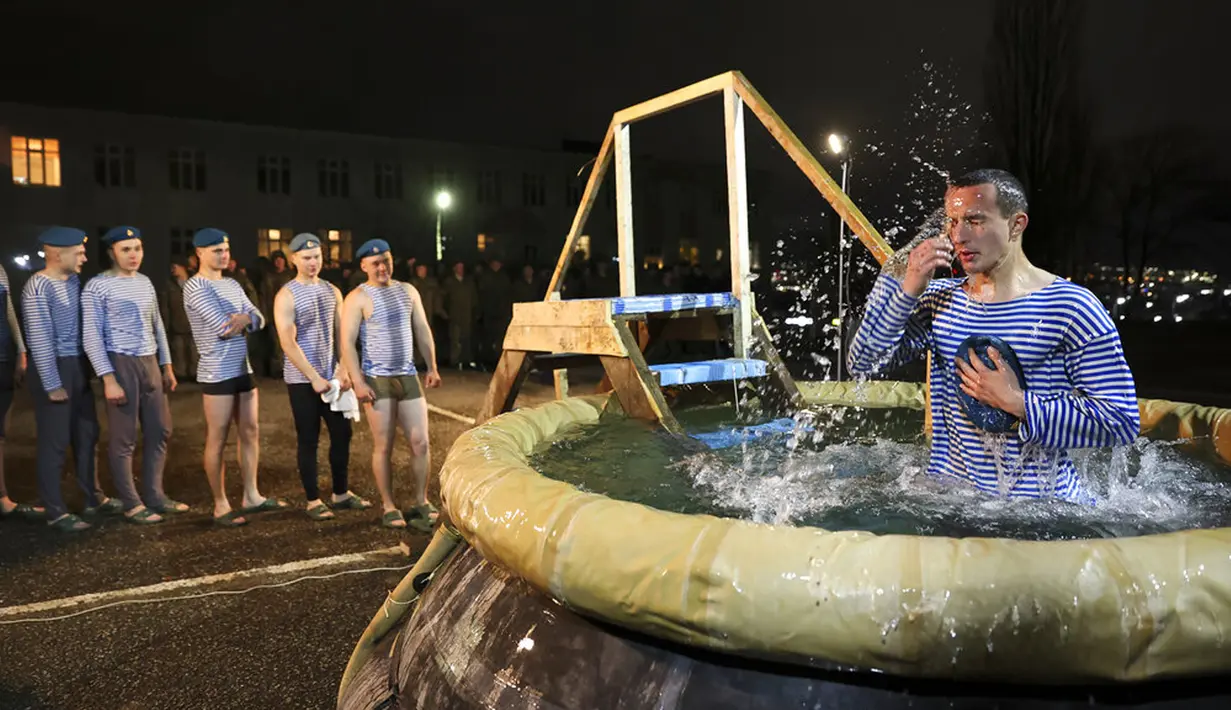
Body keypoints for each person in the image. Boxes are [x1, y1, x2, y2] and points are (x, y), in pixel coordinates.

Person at [848, 169, 1140, 501]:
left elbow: (1121, 421)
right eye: (953, 222)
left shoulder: (1071, 306)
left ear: (1017, 224)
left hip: (1042, 512)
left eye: (975, 220)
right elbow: (863, 364)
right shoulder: (938, 300)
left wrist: (1018, 403)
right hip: (953, 502)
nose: (959, 236)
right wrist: (908, 289)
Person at [183, 228, 288, 527]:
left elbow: (260, 319)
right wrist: (245, 319)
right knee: (217, 438)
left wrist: (246, 318)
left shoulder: (232, 283)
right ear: (199, 254)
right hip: (217, 372)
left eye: (225, 248)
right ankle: (220, 505)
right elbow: (222, 326)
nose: (223, 254)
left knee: (250, 431)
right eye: (216, 250)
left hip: (244, 369)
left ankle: (251, 495)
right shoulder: (195, 286)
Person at [82, 227, 187, 524]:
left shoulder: (145, 282)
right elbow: (92, 336)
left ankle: (155, 495)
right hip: (120, 361)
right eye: (126, 249)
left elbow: (157, 325)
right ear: (111, 252)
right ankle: (131, 502)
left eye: (137, 248)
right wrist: (108, 378)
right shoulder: (97, 286)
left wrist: (166, 366)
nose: (133, 255)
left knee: (160, 430)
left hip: (149, 359)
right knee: (124, 437)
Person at [340, 239, 442, 530]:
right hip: (377, 378)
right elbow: (347, 342)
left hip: (407, 375)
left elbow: (422, 329)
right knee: (383, 445)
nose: (382, 267)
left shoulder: (408, 290)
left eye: (386, 261)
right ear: (364, 266)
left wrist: (432, 366)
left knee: (420, 441)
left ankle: (421, 501)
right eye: (375, 263)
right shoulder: (357, 297)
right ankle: (388, 505)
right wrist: (358, 381)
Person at [22, 227, 115, 532]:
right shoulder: (37, 287)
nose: (85, 258)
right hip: (55, 368)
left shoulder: (74, 282)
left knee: (87, 434)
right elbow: (39, 339)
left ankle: (93, 498)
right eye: (79, 252)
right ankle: (55, 510)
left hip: (76, 365)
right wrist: (52, 384)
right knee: (56, 442)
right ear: (56, 254)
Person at [274, 233, 371, 520]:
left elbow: (344, 334)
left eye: (316, 256)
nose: (312, 262)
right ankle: (313, 499)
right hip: (302, 379)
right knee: (309, 438)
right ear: (293, 259)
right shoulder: (286, 295)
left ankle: (340, 493)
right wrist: (313, 376)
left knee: (343, 434)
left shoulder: (332, 291)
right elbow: (287, 342)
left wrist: (343, 369)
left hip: (334, 378)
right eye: (306, 257)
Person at [0, 262, 40, 521]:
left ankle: (3, 498)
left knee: (1, 432)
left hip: (3, 358)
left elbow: (9, 311)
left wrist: (22, 351)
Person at [443, 261, 477, 369]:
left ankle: (466, 360)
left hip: (467, 315)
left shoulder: (468, 282)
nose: (460, 269)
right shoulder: (449, 282)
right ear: (454, 269)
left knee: (466, 338)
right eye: (458, 267)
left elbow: (474, 298)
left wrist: (475, 311)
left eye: (462, 267)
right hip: (454, 315)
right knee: (455, 340)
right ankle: (455, 361)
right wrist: (446, 313)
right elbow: (445, 299)